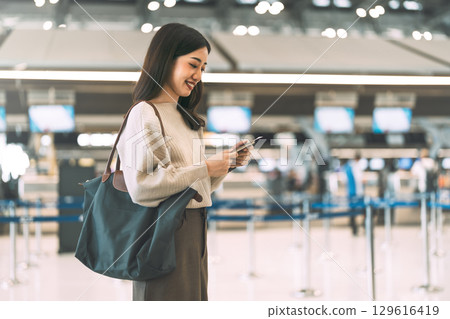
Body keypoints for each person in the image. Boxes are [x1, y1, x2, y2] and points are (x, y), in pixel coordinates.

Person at [116, 23, 251, 301]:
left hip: (194, 230)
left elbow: (194, 189)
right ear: (167, 59)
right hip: (162, 235)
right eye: (193, 64)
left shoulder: (185, 117)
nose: (198, 75)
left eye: (203, 67)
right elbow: (141, 188)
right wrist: (206, 167)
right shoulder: (145, 113)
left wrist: (225, 166)